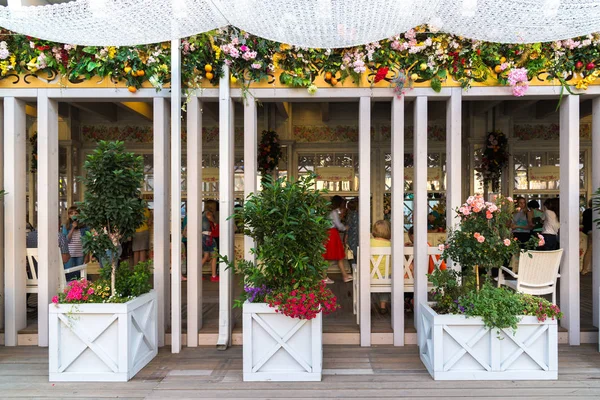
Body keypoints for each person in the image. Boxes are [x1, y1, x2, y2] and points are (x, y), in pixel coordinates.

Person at [323, 195, 352, 284]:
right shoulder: (334, 212)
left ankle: (344, 276)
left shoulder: (329, 212)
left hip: (328, 233)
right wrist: (345, 227)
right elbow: (339, 225)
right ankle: (344, 276)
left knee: (328, 256)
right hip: (332, 234)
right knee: (338, 256)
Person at [370, 220, 391, 312]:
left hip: (370, 275)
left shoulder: (369, 243)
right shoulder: (391, 244)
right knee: (386, 278)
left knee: (365, 281)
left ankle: (367, 303)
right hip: (385, 276)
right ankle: (383, 306)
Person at [202, 210, 219, 282]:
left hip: (203, 238)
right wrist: (214, 222)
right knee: (214, 257)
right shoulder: (208, 215)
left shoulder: (201, 219)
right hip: (210, 238)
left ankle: (196, 274)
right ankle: (214, 275)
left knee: (206, 256)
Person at [582, 199, 593, 275]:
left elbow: (583, 223)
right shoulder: (595, 212)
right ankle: (585, 269)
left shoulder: (586, 211)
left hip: (589, 231)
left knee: (589, 249)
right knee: (590, 248)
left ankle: (585, 269)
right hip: (594, 231)